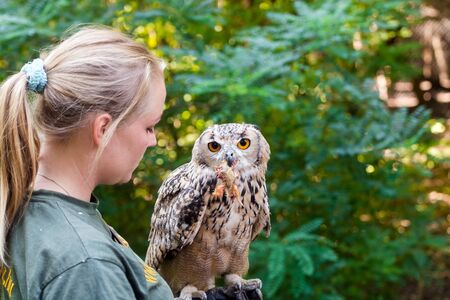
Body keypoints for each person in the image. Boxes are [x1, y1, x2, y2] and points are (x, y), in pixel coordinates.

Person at [0, 25, 173, 299]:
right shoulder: (86, 265)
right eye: (149, 127)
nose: (151, 142)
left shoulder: (24, 204)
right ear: (103, 129)